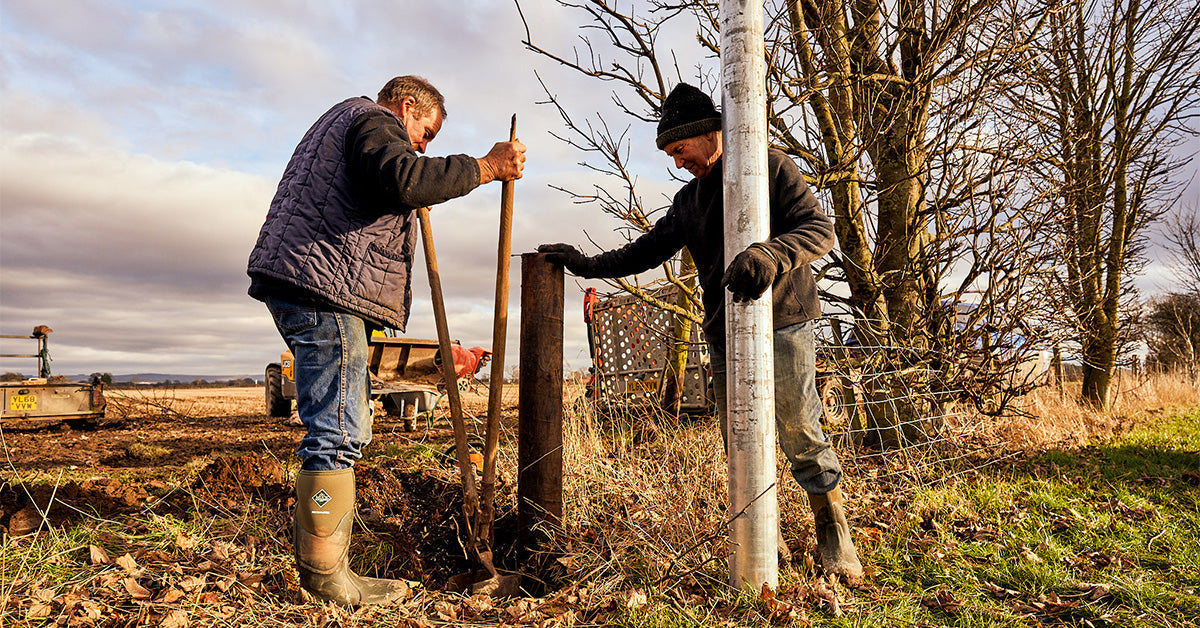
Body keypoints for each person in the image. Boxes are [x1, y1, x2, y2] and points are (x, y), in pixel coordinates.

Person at [538, 83, 863, 583]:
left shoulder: (769, 167)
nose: (677, 161)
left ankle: (833, 530)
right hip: (725, 329)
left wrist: (769, 254)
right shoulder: (689, 199)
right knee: (739, 437)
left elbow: (819, 229)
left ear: (709, 132)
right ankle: (762, 534)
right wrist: (587, 265)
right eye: (670, 154)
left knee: (799, 428)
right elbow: (647, 250)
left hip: (784, 319)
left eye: (680, 148)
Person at [247, 75, 525, 605]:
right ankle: (327, 580)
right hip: (324, 289)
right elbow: (404, 180)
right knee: (337, 430)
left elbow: (396, 182)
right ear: (407, 106)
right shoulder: (372, 120)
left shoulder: (345, 122)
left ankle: (327, 571)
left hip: (309, 281)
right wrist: (487, 167)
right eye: (425, 133)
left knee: (341, 423)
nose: (421, 146)